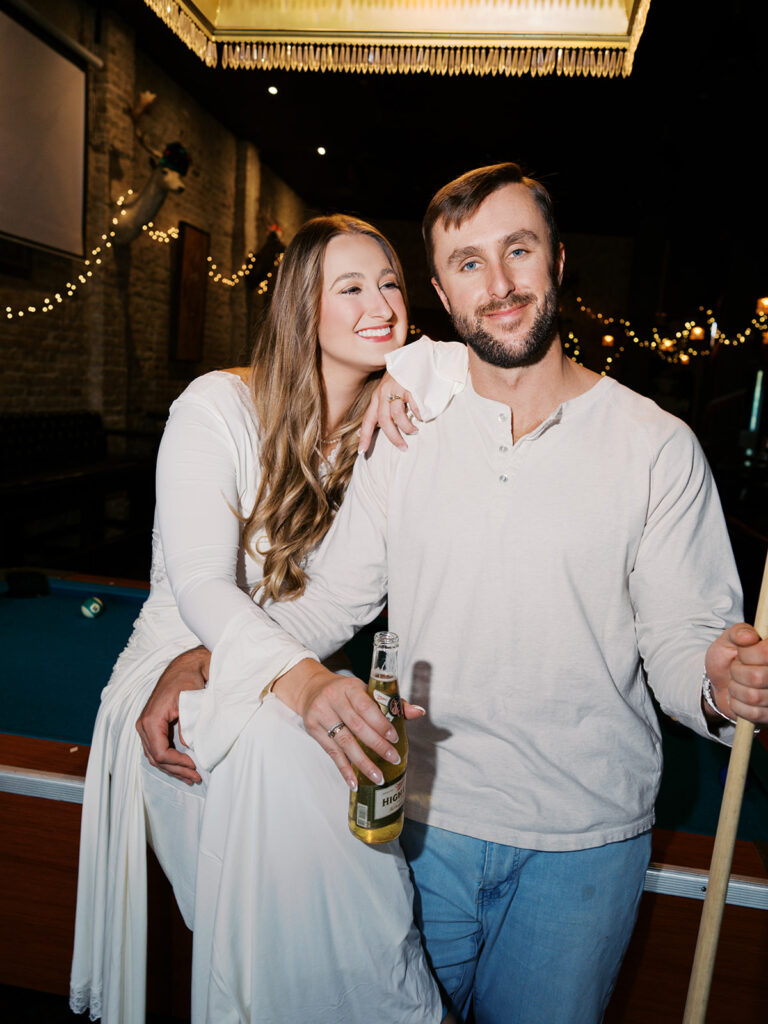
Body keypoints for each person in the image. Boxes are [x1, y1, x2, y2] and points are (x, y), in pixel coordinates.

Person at [145, 163, 768, 1024]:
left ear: (556, 259)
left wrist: (718, 681)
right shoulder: (405, 428)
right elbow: (330, 603)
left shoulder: (657, 445)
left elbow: (679, 640)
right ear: (440, 290)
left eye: (519, 250)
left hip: (583, 846)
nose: (501, 283)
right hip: (417, 827)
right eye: (469, 263)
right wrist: (210, 656)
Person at [69, 215, 444, 1024]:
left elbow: (338, 604)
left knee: (301, 748)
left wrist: (413, 394)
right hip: (169, 673)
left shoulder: (391, 433)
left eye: (391, 283)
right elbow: (203, 582)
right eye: (350, 287)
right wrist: (288, 679)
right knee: (290, 746)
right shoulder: (217, 406)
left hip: (260, 669)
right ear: (300, 309)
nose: (381, 302)